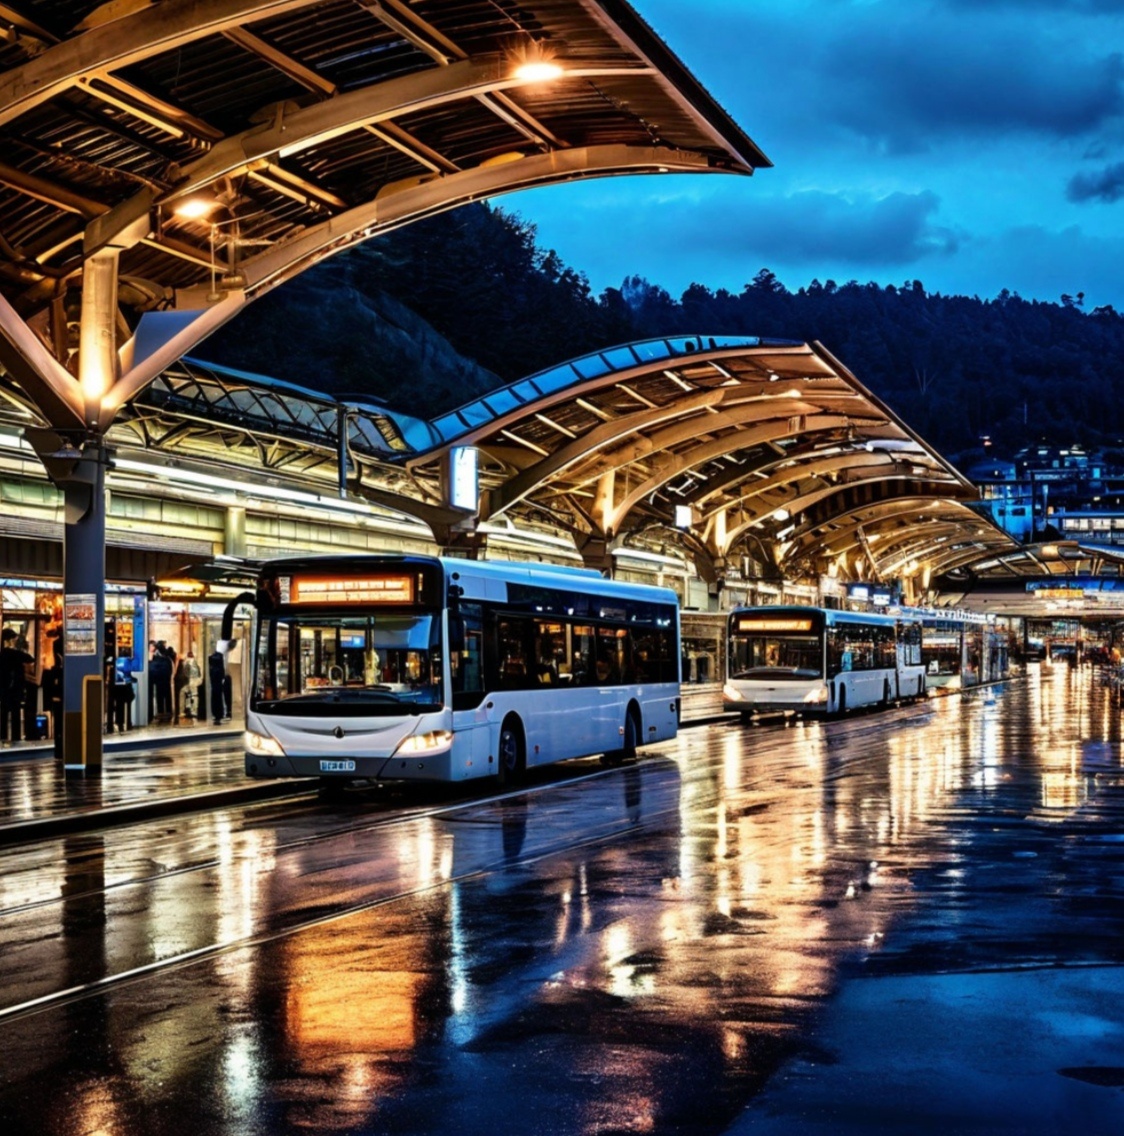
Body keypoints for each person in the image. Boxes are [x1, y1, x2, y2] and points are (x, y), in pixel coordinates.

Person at [0, 629, 32, 745]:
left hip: (4, 688)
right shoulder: (15, 653)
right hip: (15, 688)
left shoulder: (2, 653)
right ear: (8, 640)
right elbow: (30, 658)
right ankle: (15, 738)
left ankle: (3, 736)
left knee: (3, 713)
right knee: (15, 714)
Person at [150, 642, 173, 721]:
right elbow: (170, 669)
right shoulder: (167, 658)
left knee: (159, 696)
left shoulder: (155, 658)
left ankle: (161, 711)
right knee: (167, 695)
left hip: (159, 680)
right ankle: (168, 711)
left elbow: (153, 669)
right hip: (166, 679)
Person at [208, 648, 226, 725]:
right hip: (218, 682)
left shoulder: (212, 660)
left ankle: (216, 714)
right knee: (219, 698)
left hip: (214, 683)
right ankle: (219, 714)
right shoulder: (219, 658)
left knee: (215, 699)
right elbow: (222, 672)